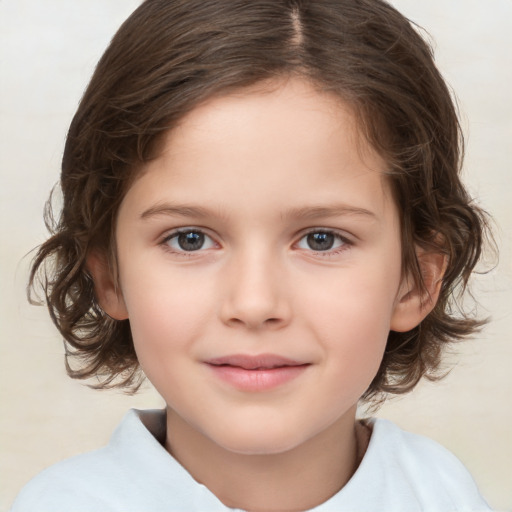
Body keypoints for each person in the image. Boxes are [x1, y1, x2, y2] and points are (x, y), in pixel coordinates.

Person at [10, 0, 493, 510]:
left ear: (417, 279)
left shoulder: (444, 494)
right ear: (109, 276)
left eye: (321, 239)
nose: (255, 302)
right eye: (190, 239)